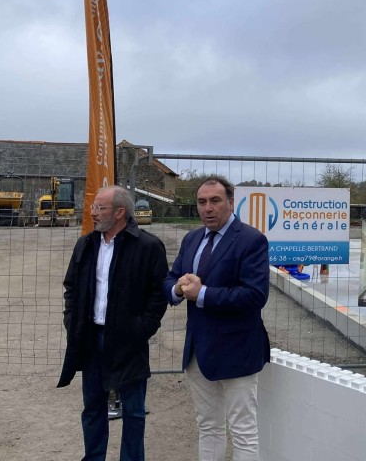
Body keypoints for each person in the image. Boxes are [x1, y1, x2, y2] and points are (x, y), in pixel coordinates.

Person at [57, 185, 169, 461]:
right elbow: (71, 287)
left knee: (133, 411)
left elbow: (158, 294)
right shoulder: (86, 244)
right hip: (91, 337)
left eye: (100, 208)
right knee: (93, 407)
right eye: (94, 207)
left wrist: (142, 328)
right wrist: (72, 322)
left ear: (119, 212)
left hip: (128, 340)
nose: (93, 213)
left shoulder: (148, 246)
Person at [164, 175, 270, 461]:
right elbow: (171, 278)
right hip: (198, 350)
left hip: (237, 350)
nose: (207, 208)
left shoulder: (251, 240)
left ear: (231, 202)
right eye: (201, 202)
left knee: (243, 430)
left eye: (215, 201)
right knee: (208, 427)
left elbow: (255, 296)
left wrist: (202, 294)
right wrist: (175, 288)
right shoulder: (192, 238)